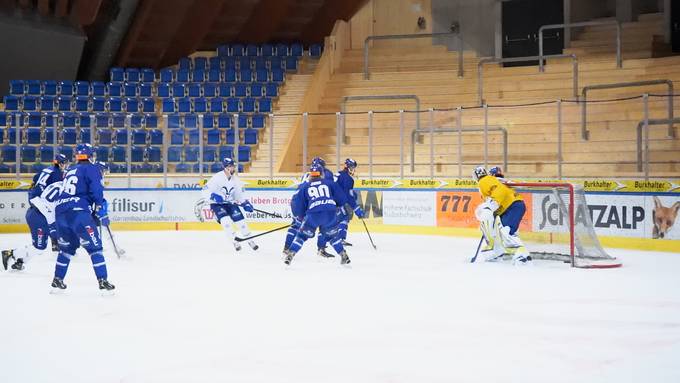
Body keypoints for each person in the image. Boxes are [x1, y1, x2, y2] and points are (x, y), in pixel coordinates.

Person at [51, 143, 115, 290]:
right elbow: (96, 190)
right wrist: (99, 207)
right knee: (95, 248)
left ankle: (57, 279)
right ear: (91, 155)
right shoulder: (92, 168)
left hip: (60, 212)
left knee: (66, 249)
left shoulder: (70, 169)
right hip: (78, 212)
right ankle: (103, 281)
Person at [283, 162, 351, 266]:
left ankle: (291, 253)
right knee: (333, 236)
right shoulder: (329, 183)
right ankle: (343, 254)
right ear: (322, 173)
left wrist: (300, 217)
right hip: (330, 214)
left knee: (301, 236)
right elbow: (342, 200)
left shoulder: (305, 186)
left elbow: (298, 205)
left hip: (313, 215)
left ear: (311, 174)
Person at [472, 166, 531, 265]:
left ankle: (521, 254)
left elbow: (500, 192)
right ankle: (498, 252)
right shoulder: (491, 180)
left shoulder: (484, 181)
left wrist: (493, 204)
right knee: (502, 231)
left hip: (512, 206)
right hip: (510, 206)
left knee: (506, 231)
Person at [201, 157, 258, 252]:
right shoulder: (217, 177)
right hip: (217, 204)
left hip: (230, 203)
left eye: (233, 166)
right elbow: (204, 190)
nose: (233, 168)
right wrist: (213, 196)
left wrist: (245, 203)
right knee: (226, 222)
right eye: (231, 167)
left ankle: (250, 240)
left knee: (241, 223)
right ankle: (234, 241)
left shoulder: (235, 180)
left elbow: (239, 195)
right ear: (226, 168)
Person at [283, 156, 333, 252]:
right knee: (324, 225)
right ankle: (321, 249)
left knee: (295, 225)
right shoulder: (326, 174)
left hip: (297, 201)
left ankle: (286, 248)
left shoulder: (306, 174)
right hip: (311, 203)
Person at [317, 158, 364, 257]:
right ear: (346, 167)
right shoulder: (348, 178)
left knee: (344, 217)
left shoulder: (339, 174)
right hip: (333, 202)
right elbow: (348, 196)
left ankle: (338, 240)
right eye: (352, 167)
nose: (353, 169)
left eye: (354, 167)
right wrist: (356, 209)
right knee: (329, 224)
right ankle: (322, 248)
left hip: (328, 200)